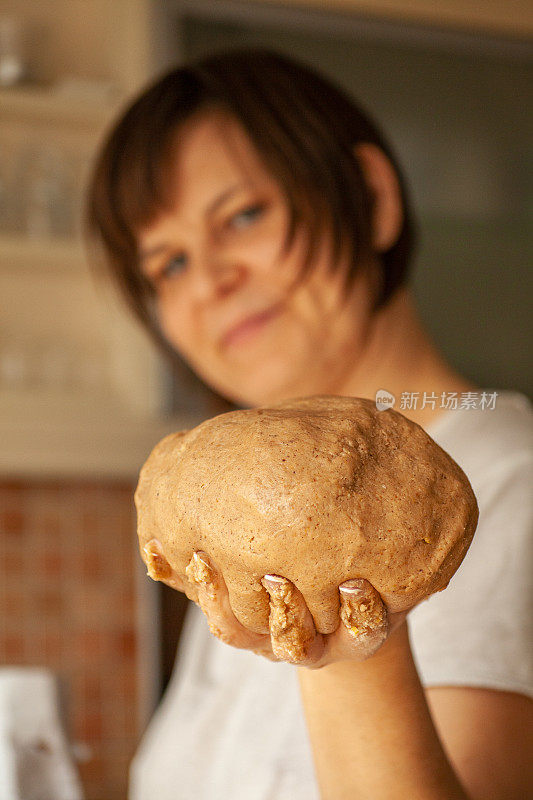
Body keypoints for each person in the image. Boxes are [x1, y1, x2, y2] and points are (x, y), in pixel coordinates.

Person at [86, 49, 533, 800]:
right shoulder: (249, 516)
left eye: (243, 216)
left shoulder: (505, 486)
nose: (210, 281)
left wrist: (354, 656)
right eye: (167, 265)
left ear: (371, 198)